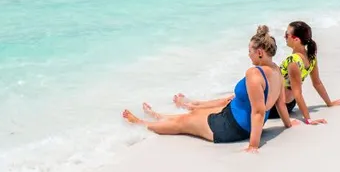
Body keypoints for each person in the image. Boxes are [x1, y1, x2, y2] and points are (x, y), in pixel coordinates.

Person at [122, 26, 299, 152]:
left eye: (250, 51)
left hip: (231, 127)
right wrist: (288, 125)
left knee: (183, 122)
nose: (248, 55)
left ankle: (142, 124)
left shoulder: (254, 74)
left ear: (260, 52)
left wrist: (253, 145)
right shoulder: (276, 70)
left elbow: (259, 112)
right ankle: (159, 116)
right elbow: (280, 104)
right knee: (195, 113)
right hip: (234, 118)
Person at [175, 21, 340, 125]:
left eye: (287, 34)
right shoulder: (311, 57)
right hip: (286, 104)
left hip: (279, 106)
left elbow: (298, 92)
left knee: (231, 102)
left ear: (296, 39)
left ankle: (191, 106)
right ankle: (195, 104)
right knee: (232, 99)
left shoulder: (293, 61)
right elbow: (317, 83)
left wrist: (308, 119)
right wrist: (329, 103)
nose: (284, 37)